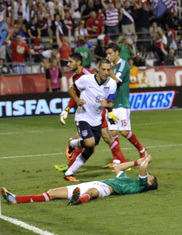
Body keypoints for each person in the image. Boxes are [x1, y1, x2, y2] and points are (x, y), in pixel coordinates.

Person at [56, 53, 128, 179]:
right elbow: (71, 89)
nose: (106, 72)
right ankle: (73, 144)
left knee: (91, 149)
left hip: (97, 119)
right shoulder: (86, 79)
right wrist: (77, 100)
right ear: (98, 69)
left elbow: (111, 102)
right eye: (103, 69)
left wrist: (108, 106)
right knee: (90, 143)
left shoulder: (111, 84)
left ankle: (69, 172)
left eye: (108, 70)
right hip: (83, 116)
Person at [2, 155, 157, 206]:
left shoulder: (142, 185)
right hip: (95, 183)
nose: (148, 175)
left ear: (149, 183)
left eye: (150, 177)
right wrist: (137, 162)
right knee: (53, 193)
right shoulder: (127, 179)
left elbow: (143, 169)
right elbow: (118, 168)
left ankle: (79, 200)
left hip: (106, 189)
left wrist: (147, 160)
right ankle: (16, 199)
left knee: (92, 192)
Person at [106, 43, 148, 159]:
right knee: (112, 133)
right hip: (111, 105)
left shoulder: (123, 65)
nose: (108, 56)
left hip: (121, 104)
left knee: (124, 132)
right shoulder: (111, 67)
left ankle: (141, 149)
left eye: (110, 53)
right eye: (107, 54)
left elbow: (117, 81)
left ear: (117, 53)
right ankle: (117, 160)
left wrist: (107, 68)